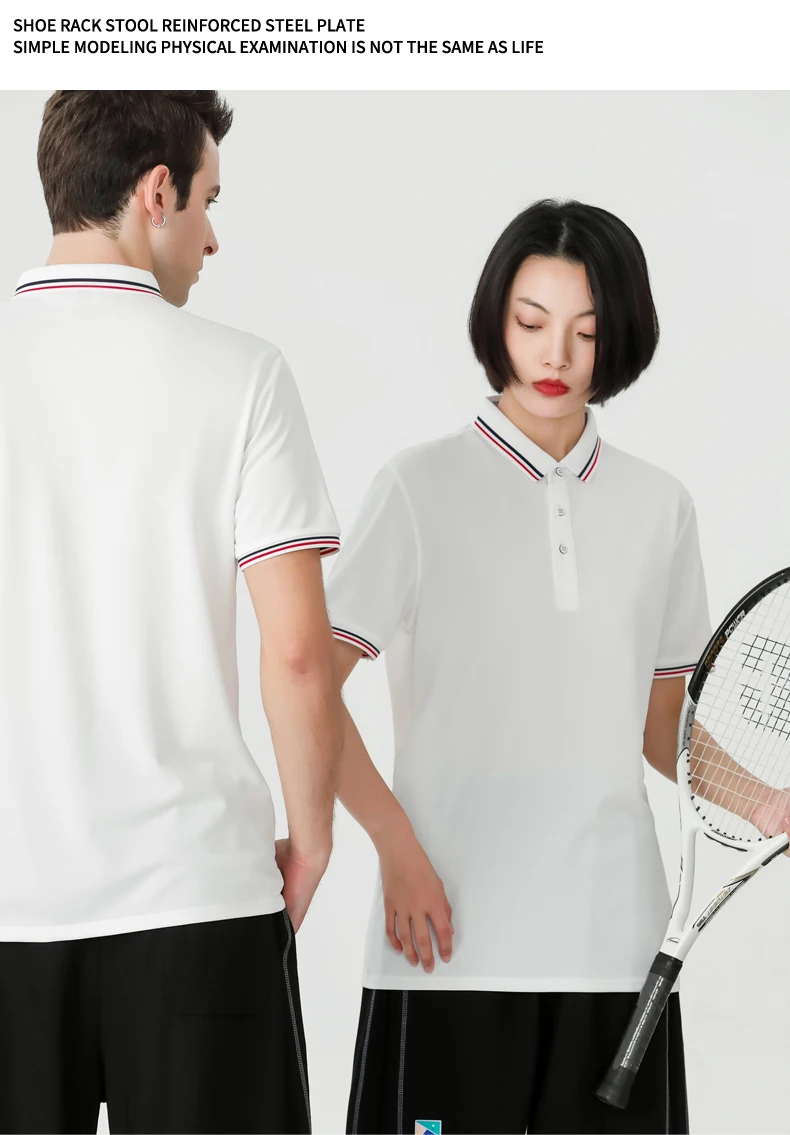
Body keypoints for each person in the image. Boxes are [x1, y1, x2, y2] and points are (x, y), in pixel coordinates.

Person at [324, 197, 749, 1134]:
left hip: (615, 949)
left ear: (620, 336)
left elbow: (661, 726)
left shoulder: (660, 507)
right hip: (442, 943)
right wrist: (395, 846)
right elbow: (309, 686)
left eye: (586, 332)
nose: (555, 356)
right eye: (531, 323)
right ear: (496, 322)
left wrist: (765, 803)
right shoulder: (417, 486)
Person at [0, 91, 343, 1135]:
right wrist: (311, 839)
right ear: (157, 192)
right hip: (198, 900)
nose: (212, 238)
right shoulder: (243, 375)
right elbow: (297, 651)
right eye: (208, 202)